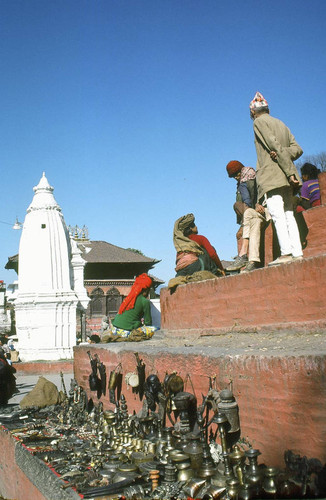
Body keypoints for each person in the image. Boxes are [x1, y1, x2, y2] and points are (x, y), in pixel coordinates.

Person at [250, 91, 303, 266]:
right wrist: (289, 166)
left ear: (253, 112)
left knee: (277, 214)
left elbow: (274, 145)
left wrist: (288, 170)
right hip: (287, 177)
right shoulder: (281, 124)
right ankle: (297, 252)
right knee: (289, 214)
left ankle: (286, 253)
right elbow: (297, 149)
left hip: (274, 175)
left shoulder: (259, 122)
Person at [226, 161, 269, 272]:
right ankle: (252, 261)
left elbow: (261, 193)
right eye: (233, 176)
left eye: (237, 174)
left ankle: (243, 255)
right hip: (255, 216)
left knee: (248, 213)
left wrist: (258, 203)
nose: (236, 177)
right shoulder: (241, 184)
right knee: (253, 221)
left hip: (266, 210)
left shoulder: (254, 177)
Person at [108, 273, 157, 340]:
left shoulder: (129, 298)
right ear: (145, 290)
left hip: (115, 329)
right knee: (156, 329)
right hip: (126, 331)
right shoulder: (145, 301)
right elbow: (148, 322)